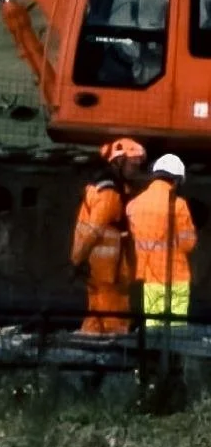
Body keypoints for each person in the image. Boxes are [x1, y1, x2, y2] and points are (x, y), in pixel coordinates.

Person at [70, 137, 146, 335]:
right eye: (133, 163)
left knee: (97, 314)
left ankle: (91, 346)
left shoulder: (111, 188)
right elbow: (95, 229)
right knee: (112, 315)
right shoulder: (110, 193)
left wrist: (79, 259)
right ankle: (115, 353)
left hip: (103, 266)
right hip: (108, 268)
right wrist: (77, 258)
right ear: (119, 162)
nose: (137, 168)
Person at [127, 153, 197, 328]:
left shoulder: (135, 205)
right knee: (176, 331)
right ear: (176, 179)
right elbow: (188, 244)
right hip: (176, 276)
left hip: (150, 276)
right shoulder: (178, 204)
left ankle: (154, 356)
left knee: (153, 329)